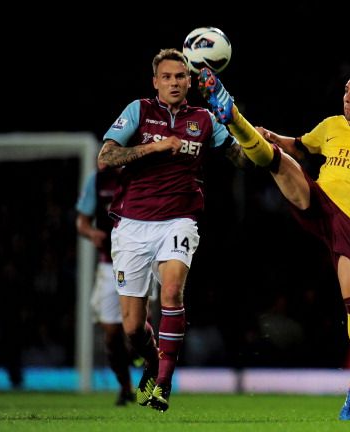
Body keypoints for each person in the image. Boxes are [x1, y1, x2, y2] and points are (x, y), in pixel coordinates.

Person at [198, 65, 350, 421]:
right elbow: (301, 147)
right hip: (319, 200)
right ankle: (233, 117)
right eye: (346, 91)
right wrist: (273, 135)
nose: (347, 97)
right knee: (278, 161)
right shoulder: (331, 126)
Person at [96, 48, 243, 412]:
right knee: (132, 328)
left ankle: (163, 383)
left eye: (181, 76)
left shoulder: (205, 119)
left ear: (190, 81)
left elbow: (241, 156)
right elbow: (105, 158)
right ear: (155, 82)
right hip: (131, 224)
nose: (174, 82)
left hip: (180, 219)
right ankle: (151, 359)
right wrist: (155, 147)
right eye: (167, 77)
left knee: (173, 290)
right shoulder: (139, 111)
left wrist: (244, 127)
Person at [76, 168, 139, 406]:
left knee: (135, 327)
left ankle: (140, 356)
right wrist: (92, 233)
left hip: (137, 262)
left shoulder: (142, 173)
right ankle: (125, 388)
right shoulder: (98, 180)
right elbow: (81, 222)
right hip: (107, 266)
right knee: (112, 333)